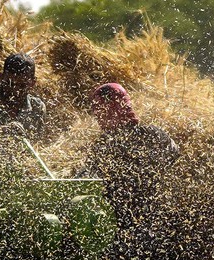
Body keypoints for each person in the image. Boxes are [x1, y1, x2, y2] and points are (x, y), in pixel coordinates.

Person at [75, 83, 179, 228]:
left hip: (122, 220)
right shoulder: (155, 134)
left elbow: (91, 180)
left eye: (99, 111)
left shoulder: (105, 144)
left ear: (112, 109)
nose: (98, 117)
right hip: (158, 216)